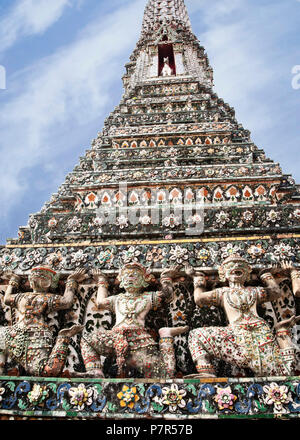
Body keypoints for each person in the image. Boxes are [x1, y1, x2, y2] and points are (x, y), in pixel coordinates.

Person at [186, 255, 299, 377]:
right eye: (231, 266)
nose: (236, 267)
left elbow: (276, 292)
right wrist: (198, 279)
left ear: (247, 274)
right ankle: (206, 372)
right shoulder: (223, 292)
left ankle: (282, 332)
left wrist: (266, 275)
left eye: (241, 266)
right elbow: (199, 299)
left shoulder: (254, 291)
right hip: (235, 336)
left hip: (260, 334)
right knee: (196, 335)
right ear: (224, 274)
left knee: (280, 373)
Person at [78, 262, 188, 378]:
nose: (130, 279)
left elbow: (168, 296)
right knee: (87, 340)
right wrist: (102, 281)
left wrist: (166, 277)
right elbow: (100, 303)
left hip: (139, 342)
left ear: (144, 280)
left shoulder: (148, 297)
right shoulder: (117, 299)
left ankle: (166, 335)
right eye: (126, 276)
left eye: (135, 276)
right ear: (121, 280)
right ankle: (95, 373)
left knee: (164, 376)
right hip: (115, 338)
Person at [0, 267, 85, 377]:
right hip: (35, 337)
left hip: (14, 335)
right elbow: (67, 301)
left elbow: (6, 299)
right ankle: (63, 337)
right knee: (46, 371)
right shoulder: (46, 298)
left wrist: (13, 280)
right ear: (48, 283)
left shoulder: (22, 297)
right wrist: (71, 281)